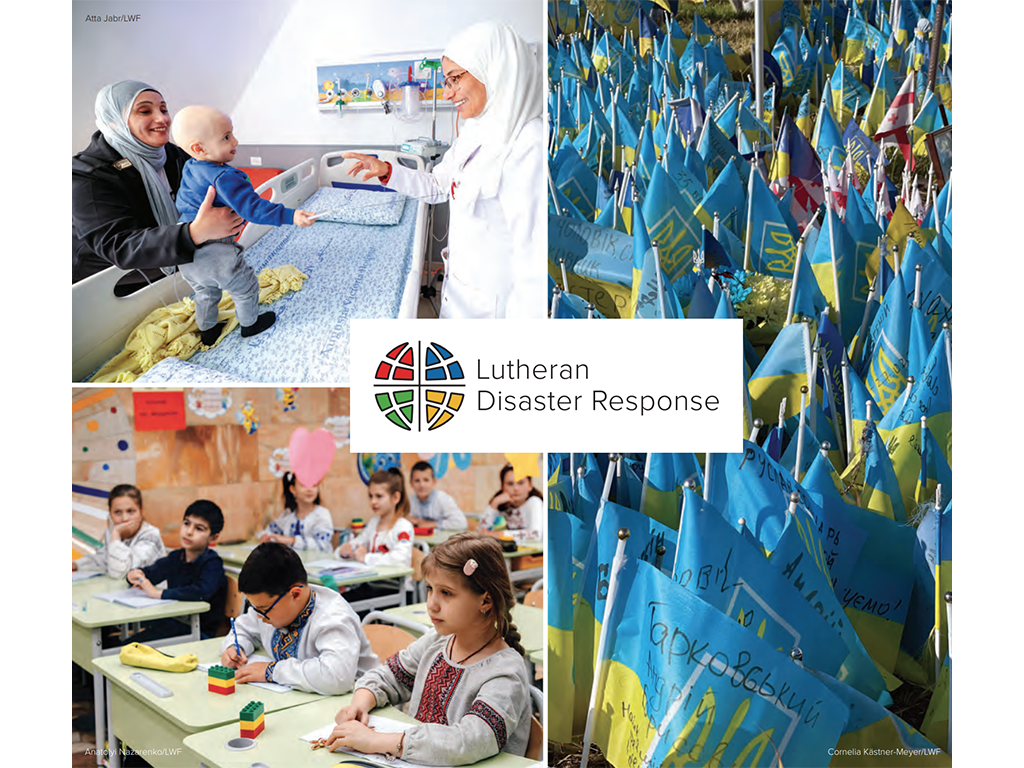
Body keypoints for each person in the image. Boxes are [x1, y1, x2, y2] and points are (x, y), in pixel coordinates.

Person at [342, 21, 545, 319]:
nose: (448, 94)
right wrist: (387, 171)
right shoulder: (475, 131)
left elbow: (534, 273)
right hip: (460, 297)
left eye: (454, 79)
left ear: (494, 70)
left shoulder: (529, 144)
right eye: (446, 83)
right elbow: (439, 186)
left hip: (495, 315)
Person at [326, 532, 531, 763]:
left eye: (446, 593)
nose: (431, 604)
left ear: (485, 601)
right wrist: (360, 705)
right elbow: (389, 677)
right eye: (430, 588)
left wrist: (376, 741)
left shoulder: (505, 671)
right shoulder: (437, 641)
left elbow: (468, 741)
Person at [72, 80, 245, 287]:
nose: (162, 118)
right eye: (145, 111)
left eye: (164, 109)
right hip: (119, 288)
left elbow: (204, 195)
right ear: (114, 121)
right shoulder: (86, 176)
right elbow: (119, 246)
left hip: (182, 267)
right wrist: (196, 232)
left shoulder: (174, 154)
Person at [171, 105, 316, 344]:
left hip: (184, 246)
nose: (235, 141)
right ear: (199, 148)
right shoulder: (226, 177)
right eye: (226, 137)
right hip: (214, 250)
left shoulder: (191, 166)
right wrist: (291, 216)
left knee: (205, 292)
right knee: (245, 287)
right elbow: (254, 209)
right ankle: (250, 325)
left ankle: (207, 332)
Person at [220, 542, 380, 695]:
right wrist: (236, 647)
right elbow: (244, 629)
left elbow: (336, 676)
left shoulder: (333, 617)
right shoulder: (271, 606)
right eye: (256, 609)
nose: (260, 617)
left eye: (263, 610)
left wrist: (271, 671)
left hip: (355, 704)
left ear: (295, 594)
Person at [125, 499, 227, 640]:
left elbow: (201, 591)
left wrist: (158, 593)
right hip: (174, 623)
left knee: (132, 645)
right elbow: (150, 573)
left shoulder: (212, 563)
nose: (189, 532)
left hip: (198, 632)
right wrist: (134, 574)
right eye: (186, 524)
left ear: (213, 538)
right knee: (125, 641)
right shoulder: (176, 557)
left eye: (199, 528)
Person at [73, 484, 166, 578]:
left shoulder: (151, 535)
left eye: (130, 511)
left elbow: (121, 572)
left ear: (141, 511)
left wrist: (116, 536)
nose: (125, 518)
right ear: (110, 513)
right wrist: (76, 564)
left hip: (154, 590)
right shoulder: (112, 531)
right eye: (118, 512)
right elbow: (104, 559)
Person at [335, 469, 415, 568]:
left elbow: (400, 559)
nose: (373, 501)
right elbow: (359, 542)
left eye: (379, 496)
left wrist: (366, 558)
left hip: (392, 582)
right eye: (370, 496)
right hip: (369, 580)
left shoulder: (403, 526)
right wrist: (344, 552)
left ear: (395, 498)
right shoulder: (374, 523)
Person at [258, 472, 334, 552]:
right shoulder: (287, 514)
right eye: (303, 485)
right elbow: (271, 531)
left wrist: (292, 541)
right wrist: (265, 536)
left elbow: (322, 545)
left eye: (314, 485)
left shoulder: (321, 514)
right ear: (293, 489)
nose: (309, 489)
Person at [479, 465, 543, 533]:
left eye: (520, 483)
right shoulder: (501, 507)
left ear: (530, 485)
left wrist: (500, 534)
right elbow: (481, 532)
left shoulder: (534, 502)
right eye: (510, 484)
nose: (516, 488)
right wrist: (494, 504)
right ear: (502, 487)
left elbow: (536, 533)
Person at [408, 461, 468, 531]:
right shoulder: (409, 501)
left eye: (426, 480)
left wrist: (432, 524)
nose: (422, 485)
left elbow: (462, 523)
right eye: (417, 481)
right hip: (420, 540)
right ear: (411, 483)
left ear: (434, 481)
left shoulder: (443, 499)